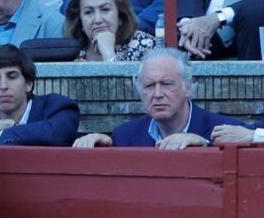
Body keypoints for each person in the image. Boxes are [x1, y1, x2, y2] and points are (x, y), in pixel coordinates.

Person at [74, 47, 240, 147]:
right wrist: (99, 146)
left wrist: (204, 145)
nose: (158, 94)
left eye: (167, 84)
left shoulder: (224, 131)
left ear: (188, 87)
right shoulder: (125, 136)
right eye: (149, 85)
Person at [64, 0, 158, 60]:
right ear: (79, 20)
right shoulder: (71, 51)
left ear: (120, 15)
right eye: (88, 12)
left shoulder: (145, 46)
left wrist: (108, 54)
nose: (97, 20)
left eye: (105, 9)